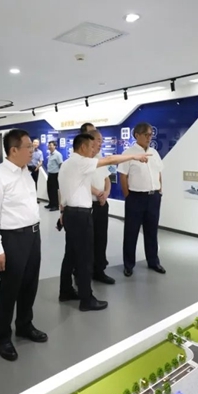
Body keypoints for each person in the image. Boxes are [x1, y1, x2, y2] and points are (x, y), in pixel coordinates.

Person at [58, 133, 150, 311]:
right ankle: (87, 299)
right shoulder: (81, 162)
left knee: (70, 255)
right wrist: (134, 156)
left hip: (70, 213)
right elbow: (109, 160)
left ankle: (66, 291)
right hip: (80, 216)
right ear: (83, 147)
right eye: (91, 147)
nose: (94, 150)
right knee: (85, 258)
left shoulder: (67, 164)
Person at [0, 129, 47, 361]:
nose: (32, 150)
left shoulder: (25, 172)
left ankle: (24, 325)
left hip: (33, 235)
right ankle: (2, 336)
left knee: (30, 284)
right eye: (28, 147)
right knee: (9, 289)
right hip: (12, 238)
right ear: (13, 150)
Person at [118, 122, 165, 277]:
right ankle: (128, 265)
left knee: (152, 231)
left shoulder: (154, 153)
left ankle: (153, 261)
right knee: (131, 232)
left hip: (154, 197)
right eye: (146, 134)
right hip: (136, 197)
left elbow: (159, 172)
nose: (149, 137)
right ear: (137, 135)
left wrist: (160, 190)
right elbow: (123, 176)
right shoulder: (129, 153)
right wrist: (128, 196)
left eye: (151, 134)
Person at [87, 129, 114, 284]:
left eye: (101, 140)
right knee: (88, 240)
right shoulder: (82, 161)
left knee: (101, 238)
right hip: (88, 205)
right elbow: (82, 182)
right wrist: (98, 193)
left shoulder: (99, 159)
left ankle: (99, 270)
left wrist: (106, 194)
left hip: (102, 204)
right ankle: (85, 271)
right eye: (98, 140)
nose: (101, 143)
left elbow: (107, 179)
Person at [45, 140, 63, 211]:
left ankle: (55, 206)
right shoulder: (50, 154)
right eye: (49, 145)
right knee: (49, 189)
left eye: (51, 145)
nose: (49, 146)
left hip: (55, 174)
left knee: (54, 191)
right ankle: (51, 203)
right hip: (50, 174)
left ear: (55, 146)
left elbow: (61, 164)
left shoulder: (58, 154)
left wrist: (60, 175)